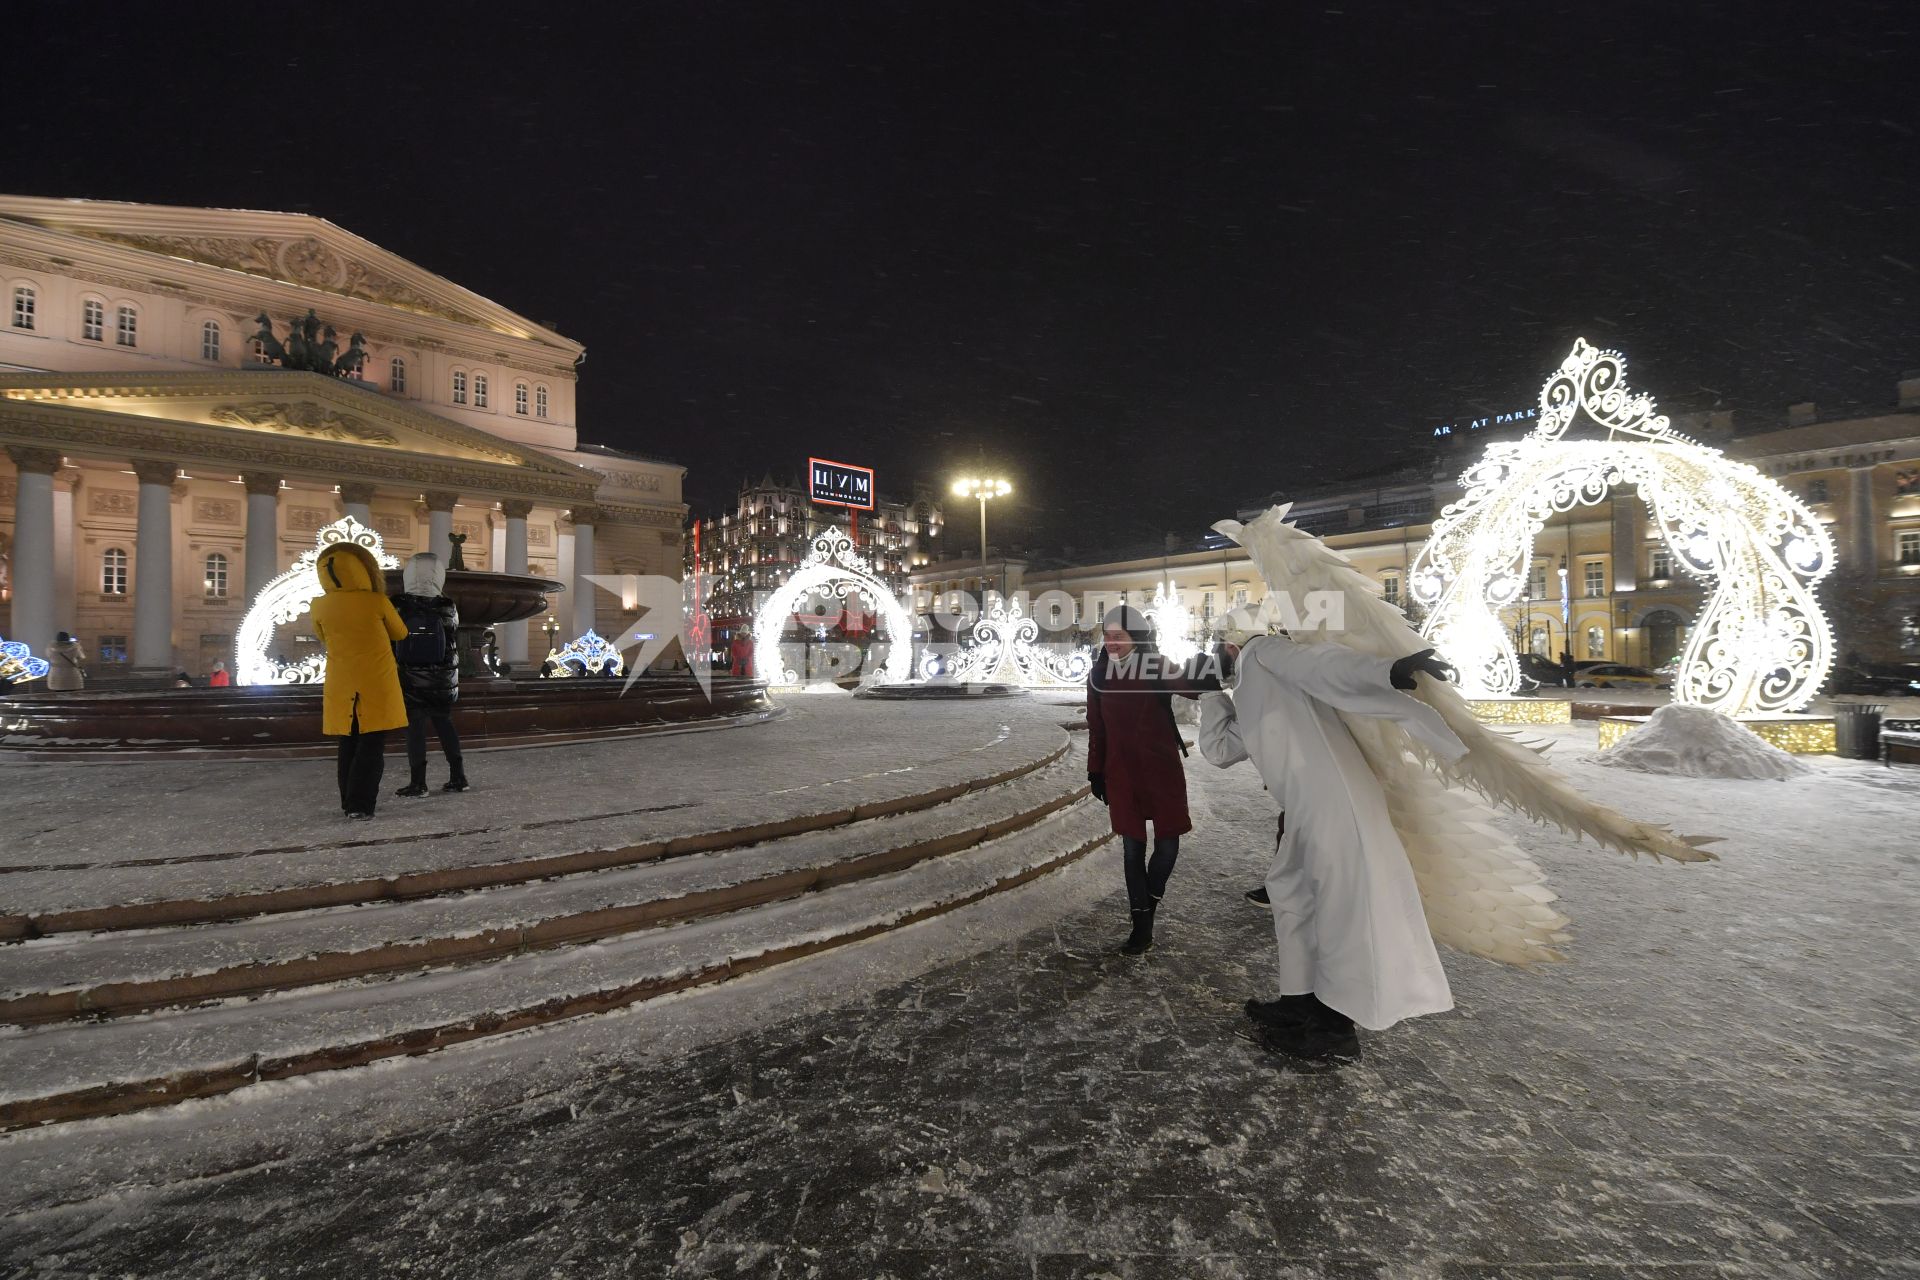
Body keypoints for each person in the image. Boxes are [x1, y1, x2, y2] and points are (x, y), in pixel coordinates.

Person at [1198, 621, 1465, 1060]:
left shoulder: (1266, 651)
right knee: (1292, 895)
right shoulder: (1253, 686)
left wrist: (1385, 671)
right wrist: (1210, 695)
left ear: (1231, 642)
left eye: (1216, 647)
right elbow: (1220, 751)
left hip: (1334, 800)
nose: (1216, 654)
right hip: (1307, 806)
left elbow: (1320, 664)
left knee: (1342, 910)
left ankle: (1333, 1029)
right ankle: (1298, 1000)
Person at [1086, 604, 1217, 956]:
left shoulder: (1154, 665)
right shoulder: (1098, 674)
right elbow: (1096, 727)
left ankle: (1149, 904)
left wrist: (1210, 662)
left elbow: (1189, 686)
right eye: (1108, 636)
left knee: (1168, 842)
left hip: (1161, 768)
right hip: (1121, 771)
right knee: (1131, 848)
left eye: (1120, 636)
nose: (1112, 643)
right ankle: (1141, 924)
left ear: (1137, 639)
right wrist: (1095, 770)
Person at [311, 541, 408, 819]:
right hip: (376, 682)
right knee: (372, 745)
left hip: (341, 683)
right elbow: (400, 633)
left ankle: (348, 802)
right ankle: (361, 805)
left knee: (348, 743)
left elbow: (322, 637)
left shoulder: (319, 606)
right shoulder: (376, 601)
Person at [390, 552, 468, 797]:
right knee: (445, 724)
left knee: (415, 729)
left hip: (410, 677)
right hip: (443, 677)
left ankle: (418, 783)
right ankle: (459, 777)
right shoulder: (448, 606)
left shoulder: (400, 604)